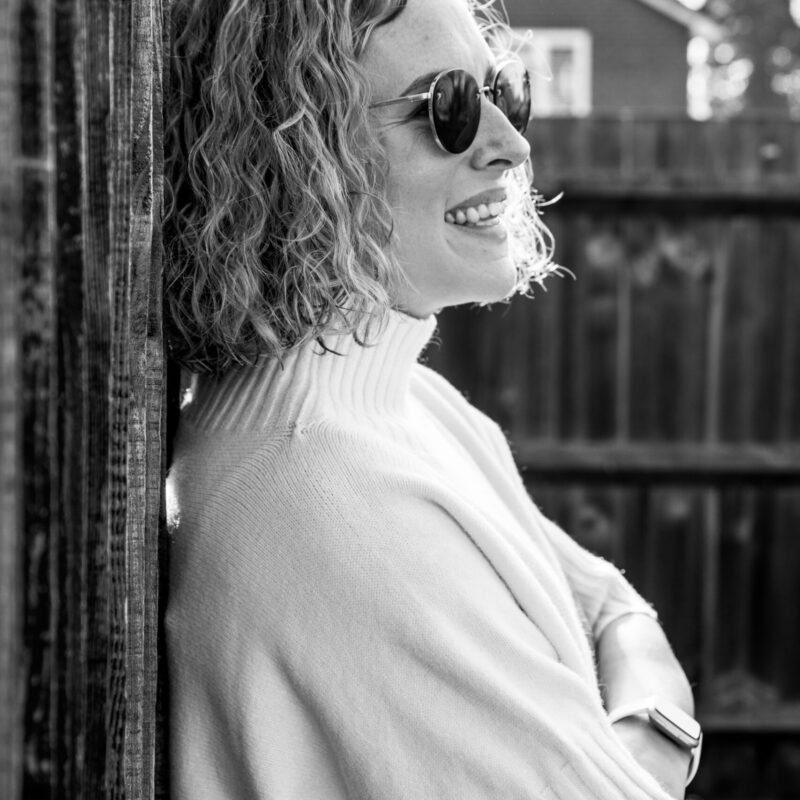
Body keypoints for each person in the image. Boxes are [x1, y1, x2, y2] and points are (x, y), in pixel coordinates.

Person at [163, 1, 699, 798]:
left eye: (500, 92)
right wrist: (660, 727)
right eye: (446, 106)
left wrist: (631, 685)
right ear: (300, 160)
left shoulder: (412, 409)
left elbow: (607, 602)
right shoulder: (330, 504)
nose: (512, 146)